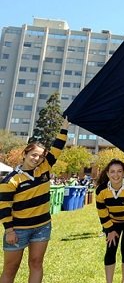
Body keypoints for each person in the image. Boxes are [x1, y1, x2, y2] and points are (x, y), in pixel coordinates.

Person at [0, 117, 69, 283]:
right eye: (33, 155)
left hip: (42, 227)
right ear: (25, 154)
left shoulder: (44, 169)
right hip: (18, 230)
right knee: (11, 268)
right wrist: (9, 231)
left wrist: (64, 128)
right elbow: (3, 207)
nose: (37, 159)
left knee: (36, 263)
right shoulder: (11, 180)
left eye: (40, 156)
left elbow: (57, 148)